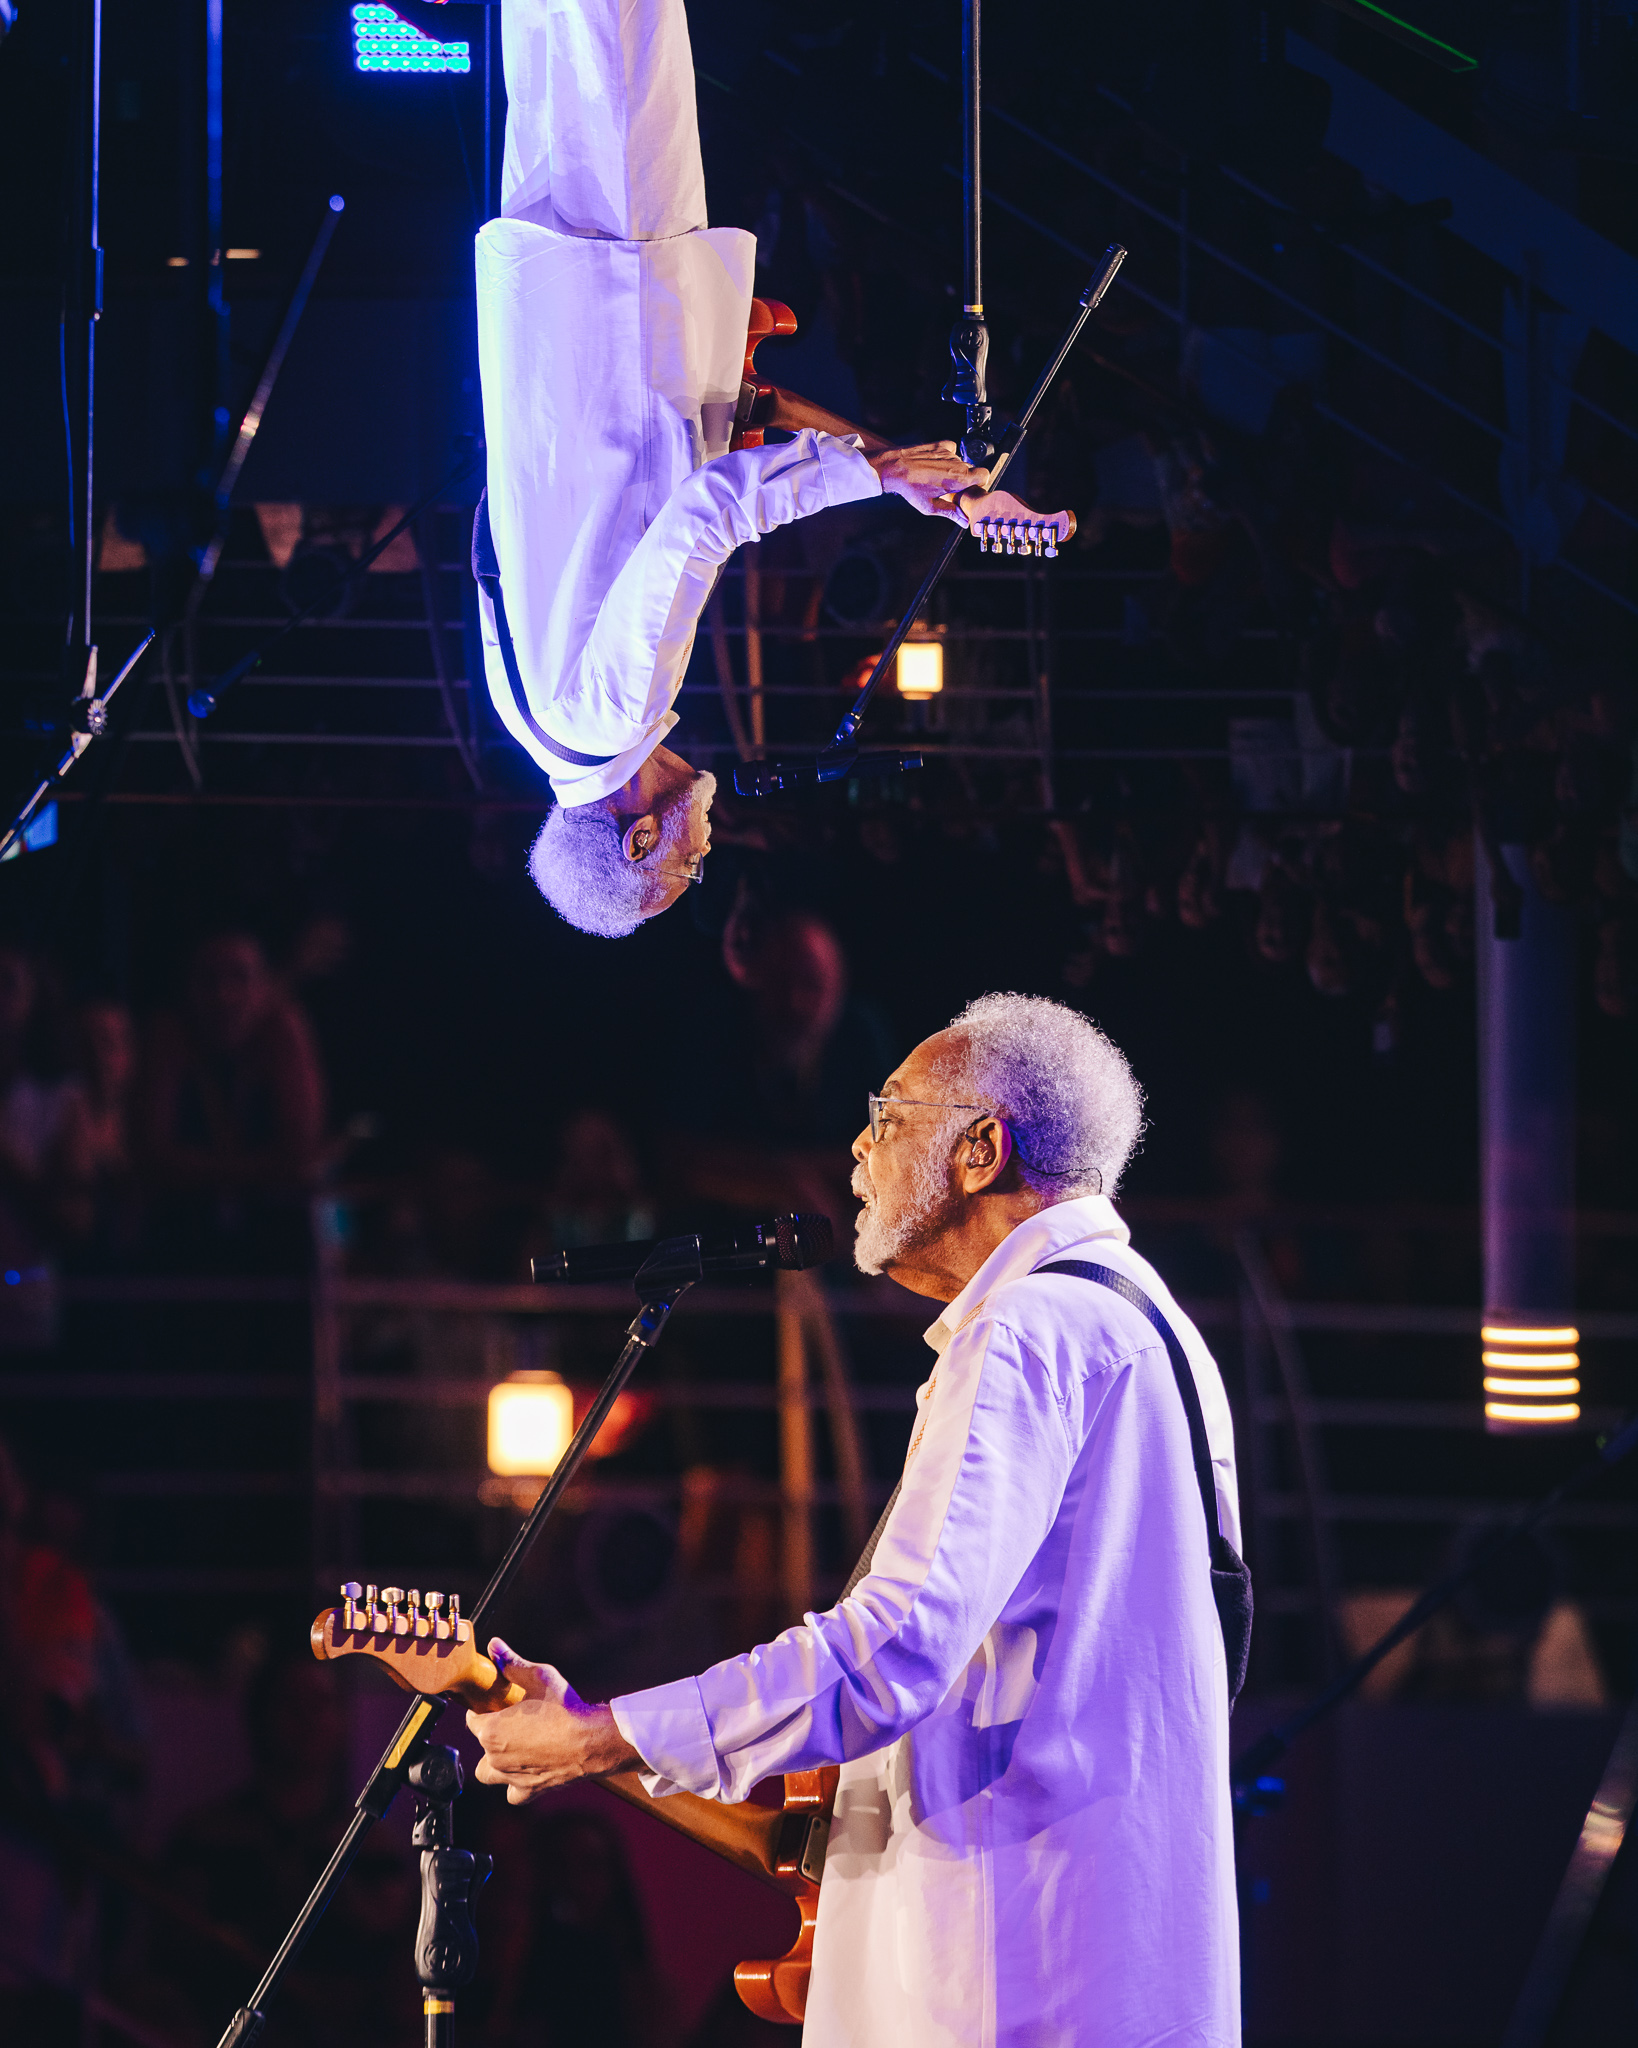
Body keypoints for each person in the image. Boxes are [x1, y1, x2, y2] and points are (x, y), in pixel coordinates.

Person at [467, 992, 1243, 2046]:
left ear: (981, 1148)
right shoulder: (1145, 1325)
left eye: (889, 1114)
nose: (857, 1146)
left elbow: (898, 1643)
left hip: (1012, 1979)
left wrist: (608, 1732)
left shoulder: (1024, 1329)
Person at [476, 0, 1003, 939]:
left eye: (689, 863)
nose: (708, 847)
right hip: (552, 303)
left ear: (639, 841)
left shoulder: (613, 716)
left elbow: (707, 513)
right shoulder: (529, 722)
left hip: (626, 288)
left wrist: (875, 480)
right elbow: (492, 530)